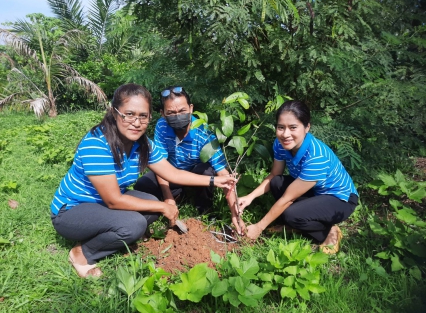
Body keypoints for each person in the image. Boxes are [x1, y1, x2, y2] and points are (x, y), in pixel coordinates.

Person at [50, 83, 236, 278]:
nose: (136, 122)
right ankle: (82, 253)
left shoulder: (142, 143)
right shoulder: (97, 144)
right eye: (129, 114)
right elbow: (114, 200)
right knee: (135, 224)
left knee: (152, 204)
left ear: (150, 117)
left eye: (143, 116)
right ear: (115, 113)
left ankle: (113, 235)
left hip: (103, 203)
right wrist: (165, 207)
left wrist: (216, 181)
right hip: (73, 210)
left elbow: (173, 173)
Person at [238, 100, 358, 254]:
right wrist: (250, 197)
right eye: (281, 127)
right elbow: (275, 174)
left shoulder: (316, 156)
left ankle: (329, 230)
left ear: (307, 127)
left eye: (293, 127)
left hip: (339, 199)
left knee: (291, 214)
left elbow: (287, 199)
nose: (285, 134)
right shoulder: (280, 143)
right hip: (315, 191)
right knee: (276, 182)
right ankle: (299, 224)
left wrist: (258, 227)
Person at [134, 86, 245, 234]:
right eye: (171, 113)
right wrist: (169, 199)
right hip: (170, 172)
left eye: (182, 111)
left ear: (191, 108)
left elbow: (223, 174)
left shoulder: (204, 131)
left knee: (207, 171)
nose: (177, 116)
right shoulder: (162, 126)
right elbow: (161, 165)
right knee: (143, 184)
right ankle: (174, 197)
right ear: (162, 114)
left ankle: (204, 209)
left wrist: (234, 213)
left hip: (196, 175)